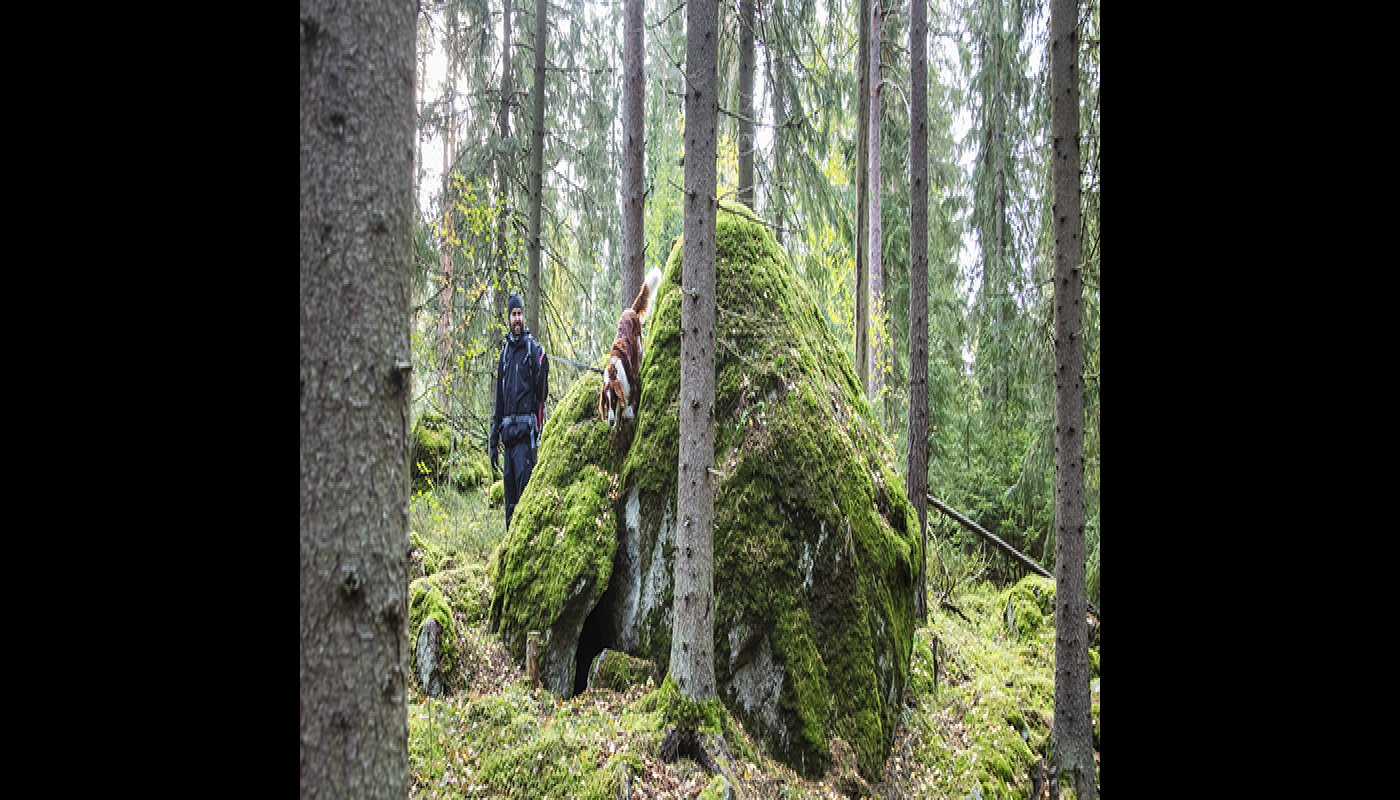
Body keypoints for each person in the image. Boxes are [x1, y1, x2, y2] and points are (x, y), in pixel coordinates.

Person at [490, 292, 549, 530]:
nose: (517, 318)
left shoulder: (532, 351)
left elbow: (541, 395)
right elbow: (499, 403)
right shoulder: (504, 355)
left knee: (524, 504)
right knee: (510, 506)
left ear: (523, 317)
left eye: (519, 314)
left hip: (526, 441)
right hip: (508, 441)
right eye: (513, 314)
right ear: (508, 318)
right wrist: (493, 443)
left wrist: (543, 368)